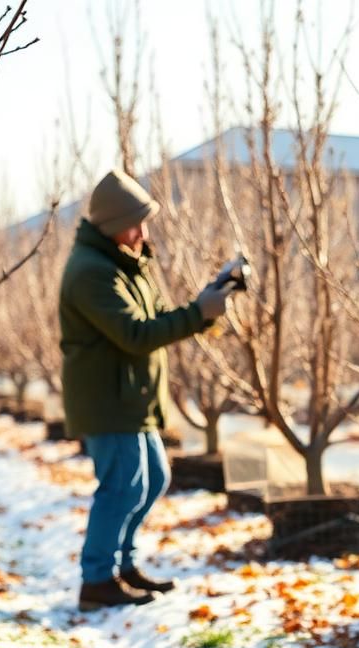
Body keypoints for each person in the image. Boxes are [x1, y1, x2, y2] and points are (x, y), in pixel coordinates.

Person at [59, 168, 232, 611]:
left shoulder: (126, 264)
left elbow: (154, 319)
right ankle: (96, 581)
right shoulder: (92, 273)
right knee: (120, 488)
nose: (143, 231)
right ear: (112, 224)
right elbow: (135, 334)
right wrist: (197, 314)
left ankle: (122, 565)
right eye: (135, 222)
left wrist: (205, 304)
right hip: (108, 402)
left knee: (153, 480)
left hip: (133, 399)